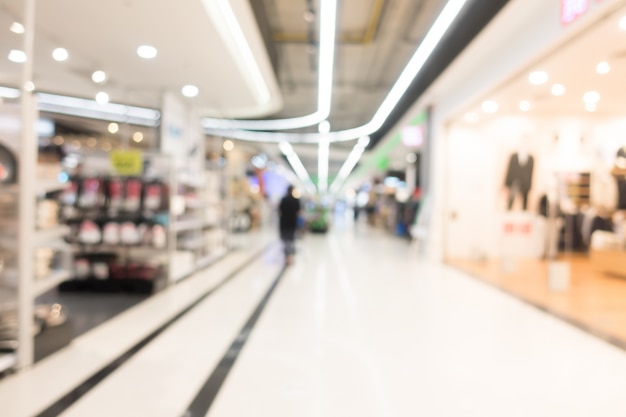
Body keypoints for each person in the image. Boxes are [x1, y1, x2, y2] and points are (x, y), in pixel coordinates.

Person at [279, 185, 301, 264]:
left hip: (284, 222)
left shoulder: (283, 199)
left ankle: (286, 255)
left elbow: (280, 211)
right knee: (291, 239)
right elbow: (298, 212)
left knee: (285, 239)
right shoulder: (295, 200)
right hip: (292, 222)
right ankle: (290, 256)